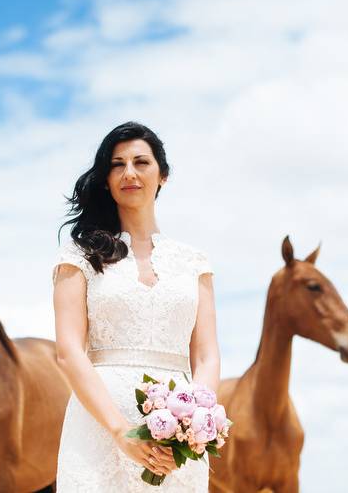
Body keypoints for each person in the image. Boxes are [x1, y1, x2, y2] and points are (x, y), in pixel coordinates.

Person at [52, 121, 220, 492]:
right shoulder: (78, 256)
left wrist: (193, 421)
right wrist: (120, 430)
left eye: (141, 162)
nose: (129, 172)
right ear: (107, 179)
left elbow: (207, 357)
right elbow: (68, 353)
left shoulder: (195, 263)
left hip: (176, 439)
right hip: (98, 428)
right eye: (117, 164)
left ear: (163, 176)